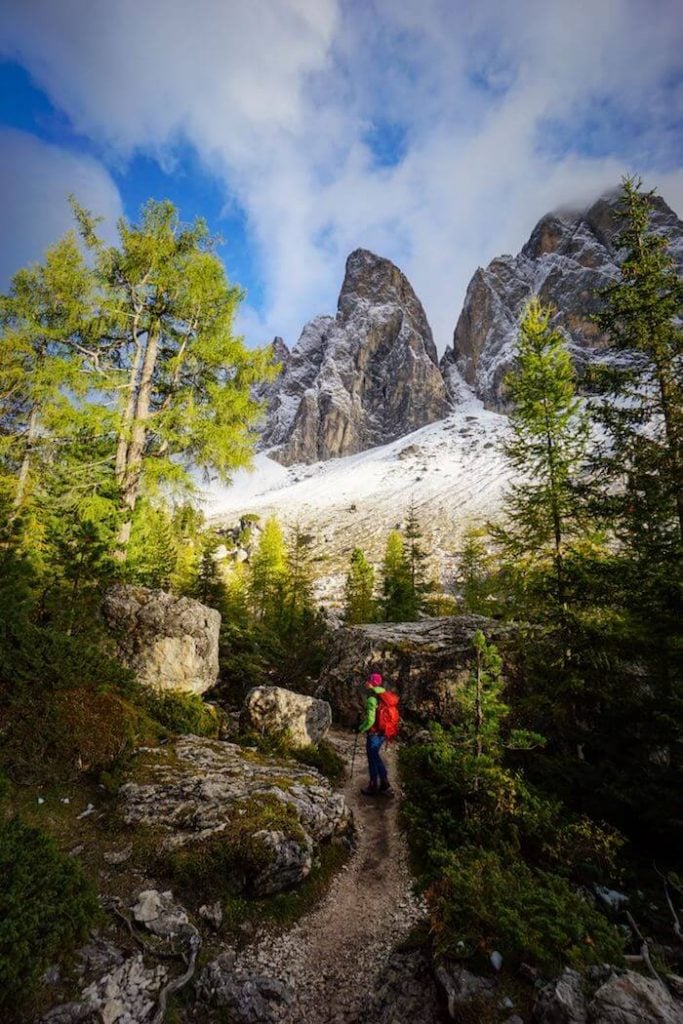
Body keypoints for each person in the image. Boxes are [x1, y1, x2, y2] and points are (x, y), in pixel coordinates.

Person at [357, 672, 394, 796]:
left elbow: (371, 720)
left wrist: (360, 728)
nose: (366, 682)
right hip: (383, 732)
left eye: (368, 680)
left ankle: (374, 785)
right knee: (376, 756)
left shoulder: (372, 697)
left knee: (373, 759)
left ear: (371, 682)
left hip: (374, 734)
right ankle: (384, 784)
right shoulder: (384, 694)